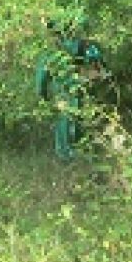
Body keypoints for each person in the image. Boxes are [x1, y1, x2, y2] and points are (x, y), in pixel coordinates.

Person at [35, 16, 105, 161]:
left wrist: (45, 100)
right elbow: (101, 68)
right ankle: (87, 160)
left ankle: (67, 161)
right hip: (85, 96)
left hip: (62, 98)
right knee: (84, 128)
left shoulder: (49, 52)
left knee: (64, 130)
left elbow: (41, 83)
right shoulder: (86, 47)